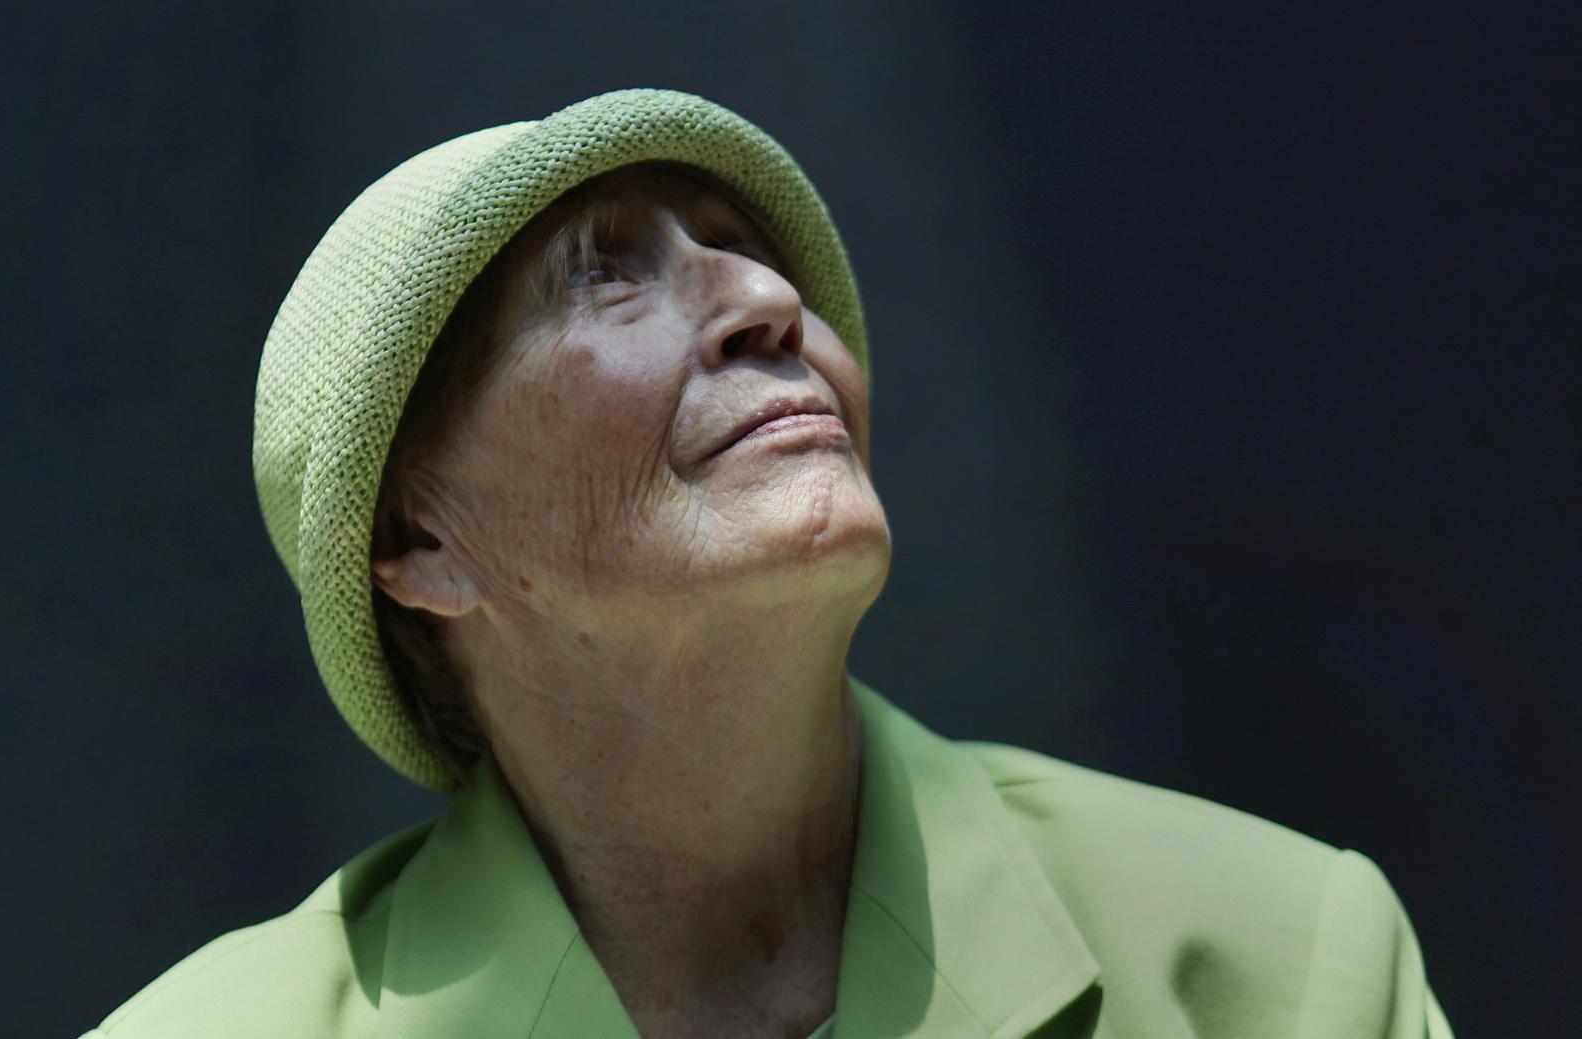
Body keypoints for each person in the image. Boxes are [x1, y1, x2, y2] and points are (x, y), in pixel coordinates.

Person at [79, 88, 1454, 1038]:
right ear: (419, 544)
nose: (768, 301)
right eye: (602, 274)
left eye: (737, 250)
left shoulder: (1280, 956)